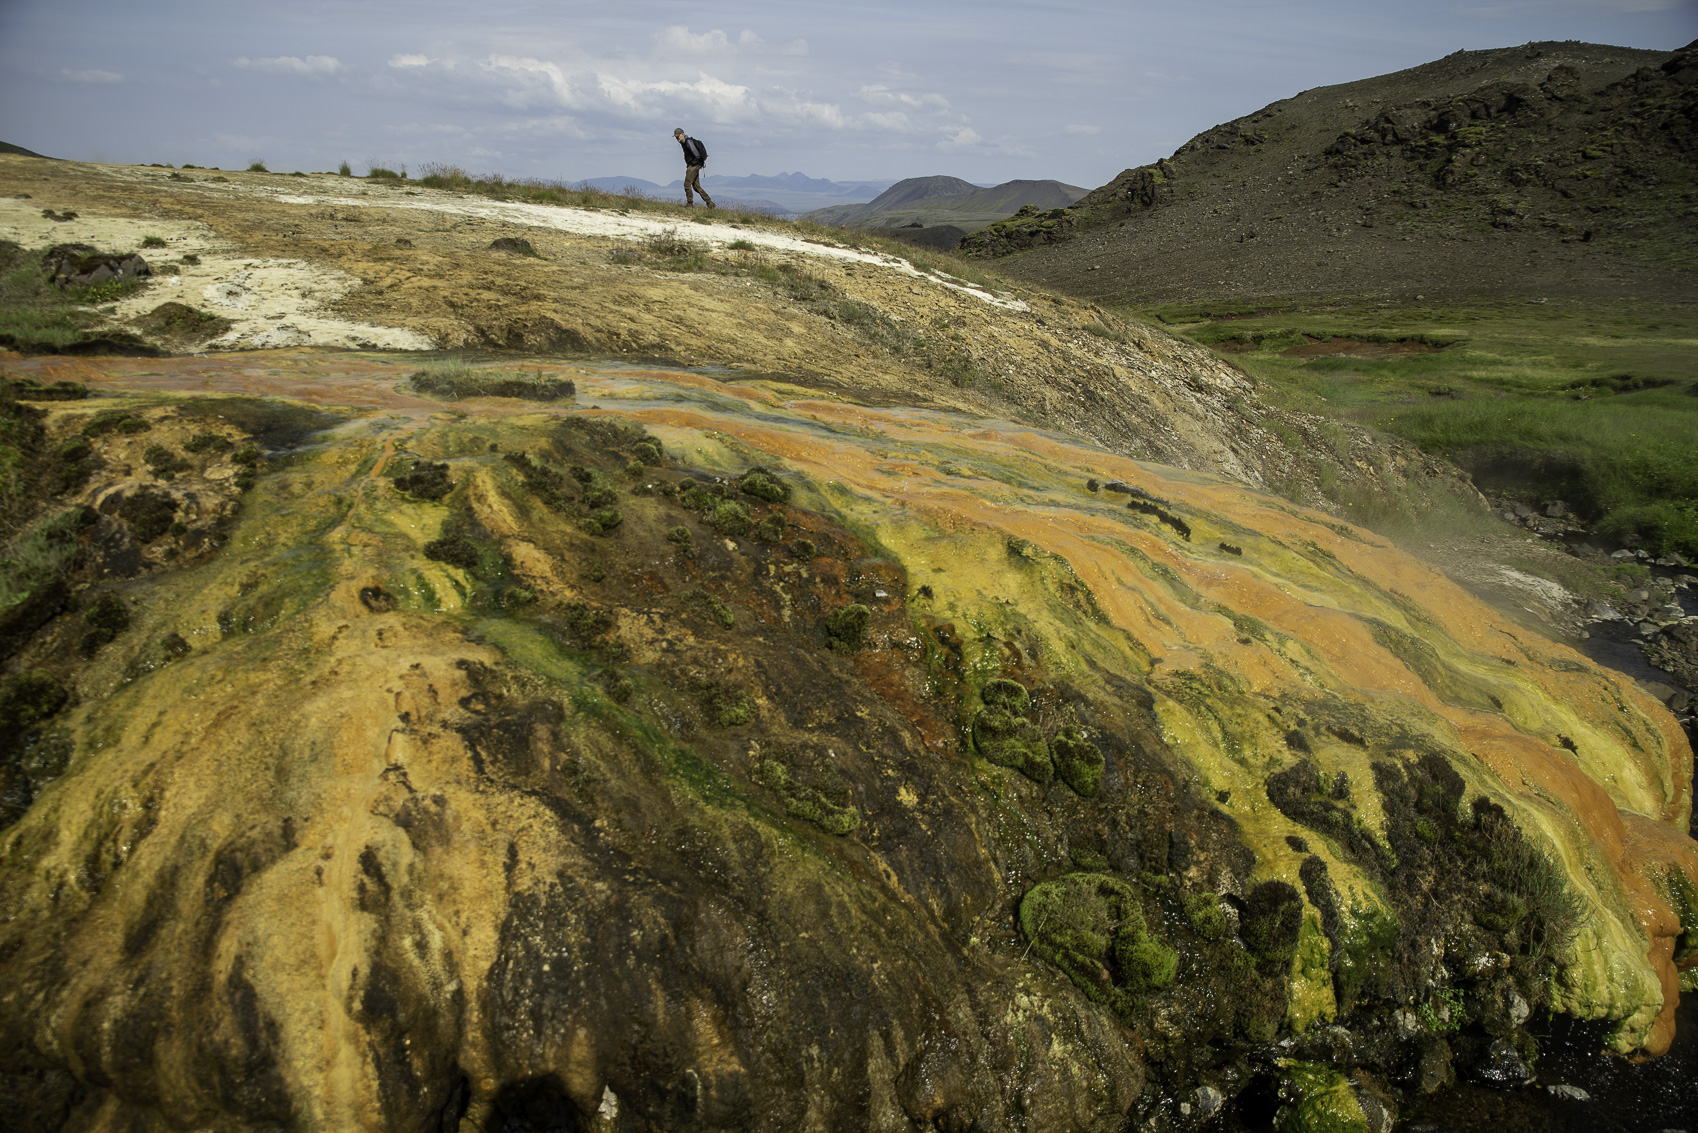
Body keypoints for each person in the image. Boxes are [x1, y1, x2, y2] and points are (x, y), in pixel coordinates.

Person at [673, 127, 715, 208]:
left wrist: (691, 164)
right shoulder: (684, 142)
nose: (677, 138)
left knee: (687, 184)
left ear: (682, 134)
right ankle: (710, 203)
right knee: (696, 186)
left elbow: (697, 155)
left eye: (678, 136)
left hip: (694, 165)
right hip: (696, 164)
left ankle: (690, 204)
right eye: (676, 137)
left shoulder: (688, 142)